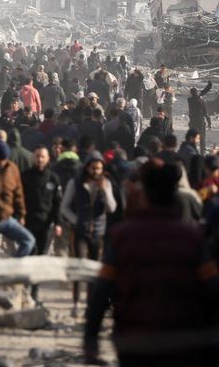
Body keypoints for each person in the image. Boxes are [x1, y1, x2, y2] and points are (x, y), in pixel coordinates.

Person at [84, 160, 219, 366]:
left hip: (134, 342)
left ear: (144, 196)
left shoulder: (122, 236)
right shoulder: (192, 238)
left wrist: (91, 339)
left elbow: (102, 291)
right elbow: (211, 290)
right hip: (183, 342)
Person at [60, 151, 117, 316]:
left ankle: (90, 305)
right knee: (79, 267)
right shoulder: (75, 183)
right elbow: (65, 207)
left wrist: (105, 191)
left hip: (98, 232)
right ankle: (76, 303)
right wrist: (76, 220)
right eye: (93, 168)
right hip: (80, 232)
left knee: (94, 271)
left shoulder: (106, 183)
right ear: (87, 167)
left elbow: (112, 208)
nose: (96, 171)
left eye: (99, 168)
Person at [21, 146, 62, 298]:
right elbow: (19, 198)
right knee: (30, 253)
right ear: (33, 158)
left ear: (47, 159)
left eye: (42, 156)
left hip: (46, 224)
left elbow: (58, 203)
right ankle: (26, 286)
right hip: (28, 222)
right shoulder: (25, 176)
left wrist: (57, 223)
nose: (39, 159)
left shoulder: (53, 178)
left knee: (41, 256)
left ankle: (35, 289)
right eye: (37, 156)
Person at [188, 87, 211, 153]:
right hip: (200, 120)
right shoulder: (202, 101)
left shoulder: (189, 100)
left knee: (192, 137)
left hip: (192, 120)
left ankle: (192, 151)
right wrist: (209, 123)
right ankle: (202, 152)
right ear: (197, 92)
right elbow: (206, 113)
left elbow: (195, 98)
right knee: (202, 137)